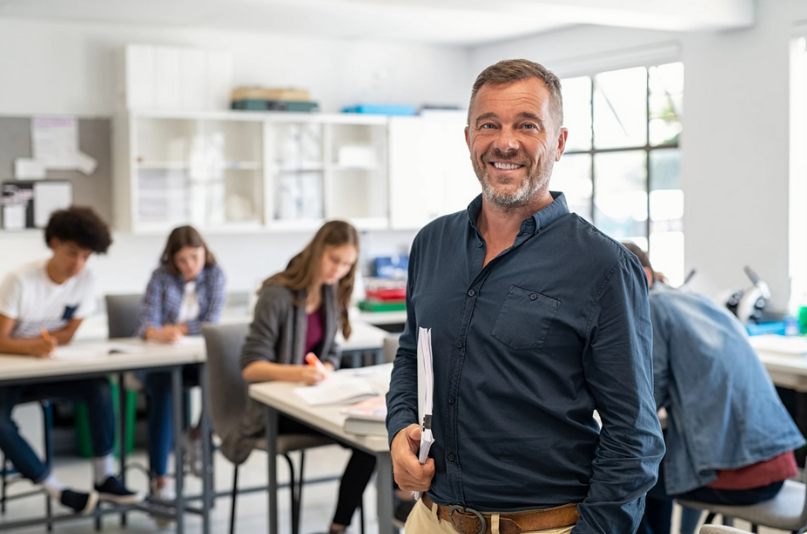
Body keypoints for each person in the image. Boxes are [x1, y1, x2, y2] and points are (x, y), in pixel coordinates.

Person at [385, 58, 666, 534]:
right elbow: (414, 354)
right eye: (488, 124)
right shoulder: (431, 243)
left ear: (558, 141)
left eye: (527, 125)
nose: (505, 142)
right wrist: (398, 432)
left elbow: (633, 434)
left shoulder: (603, 265)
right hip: (432, 519)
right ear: (469, 137)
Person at [621, 243, 806, 534]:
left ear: (642, 276)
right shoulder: (692, 301)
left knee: (630, 474)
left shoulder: (651, 307)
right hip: (778, 463)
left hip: (747, 474)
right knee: (655, 458)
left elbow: (645, 402)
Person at [228, 220, 375, 534]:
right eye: (334, 260)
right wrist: (301, 373)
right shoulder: (276, 293)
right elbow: (250, 366)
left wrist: (326, 371)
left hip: (314, 400)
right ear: (317, 251)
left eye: (347, 265)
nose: (339, 270)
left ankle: (341, 525)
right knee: (367, 440)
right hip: (276, 411)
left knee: (375, 437)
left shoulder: (329, 292)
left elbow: (332, 353)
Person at [0, 206, 142, 515]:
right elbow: (1, 339)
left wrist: (45, 345)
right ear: (53, 243)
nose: (77, 264)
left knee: (100, 389)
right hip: (10, 375)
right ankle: (56, 489)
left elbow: (66, 334)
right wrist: (31, 348)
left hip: (48, 371)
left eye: (85, 256)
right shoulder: (20, 280)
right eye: (71, 253)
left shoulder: (86, 280)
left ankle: (105, 477)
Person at [136, 225, 225, 511]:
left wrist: (179, 328)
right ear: (171, 259)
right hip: (161, 361)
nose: (190, 266)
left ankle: (198, 436)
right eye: (182, 260)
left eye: (195, 257)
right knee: (163, 391)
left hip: (195, 361)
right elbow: (146, 324)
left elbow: (211, 322)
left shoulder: (215, 275)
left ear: (204, 253)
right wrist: (157, 332)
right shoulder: (160, 278)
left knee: (222, 377)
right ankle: (160, 480)